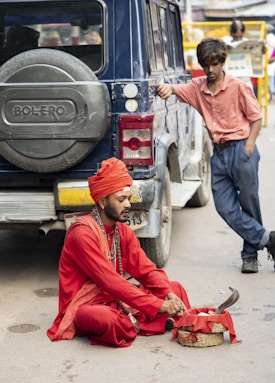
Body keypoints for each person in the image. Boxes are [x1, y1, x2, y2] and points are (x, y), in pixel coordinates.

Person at [157, 38, 275, 274]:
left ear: (222, 62)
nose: (210, 70)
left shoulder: (238, 86)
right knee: (224, 207)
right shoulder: (197, 88)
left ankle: (250, 255)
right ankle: (269, 240)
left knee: (249, 204)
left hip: (241, 149)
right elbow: (174, 90)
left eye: (214, 64)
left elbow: (256, 117)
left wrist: (249, 147)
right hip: (218, 155)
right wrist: (165, 88)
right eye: (206, 65)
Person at [47, 157, 190, 347]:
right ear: (103, 202)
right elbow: (110, 281)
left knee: (175, 288)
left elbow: (146, 271)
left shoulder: (122, 231)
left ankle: (139, 321)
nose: (128, 205)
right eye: (121, 199)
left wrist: (168, 294)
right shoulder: (81, 234)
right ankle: (146, 322)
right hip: (87, 305)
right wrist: (158, 305)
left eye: (128, 199)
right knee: (105, 319)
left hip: (117, 300)